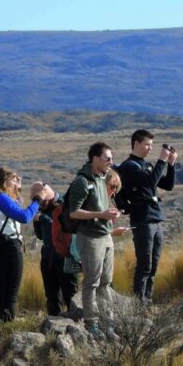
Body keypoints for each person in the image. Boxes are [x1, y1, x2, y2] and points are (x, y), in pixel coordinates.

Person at [67, 142, 125, 337]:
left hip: (105, 235)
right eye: (107, 158)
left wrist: (109, 215)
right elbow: (74, 212)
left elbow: (101, 208)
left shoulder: (102, 179)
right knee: (92, 281)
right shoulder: (82, 182)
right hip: (90, 237)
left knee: (106, 281)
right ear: (95, 158)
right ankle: (92, 323)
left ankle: (108, 321)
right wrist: (101, 214)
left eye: (111, 158)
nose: (111, 162)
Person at [116, 129, 176, 304]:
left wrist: (171, 165)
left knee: (154, 263)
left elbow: (168, 185)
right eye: (147, 145)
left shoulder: (147, 165)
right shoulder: (130, 166)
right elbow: (150, 182)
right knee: (144, 264)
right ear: (136, 143)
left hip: (156, 218)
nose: (150, 148)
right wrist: (162, 160)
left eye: (152, 145)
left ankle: (147, 300)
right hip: (142, 219)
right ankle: (138, 302)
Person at [0, 168, 54, 327]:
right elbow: (24, 216)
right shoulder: (1, 197)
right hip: (9, 248)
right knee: (9, 297)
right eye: (14, 179)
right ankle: (6, 329)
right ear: (4, 181)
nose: (17, 182)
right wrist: (38, 199)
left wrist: (17, 191)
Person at [33, 193, 79, 317]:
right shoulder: (41, 211)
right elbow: (41, 236)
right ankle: (54, 323)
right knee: (51, 294)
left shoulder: (62, 205)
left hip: (65, 254)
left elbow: (63, 225)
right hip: (48, 255)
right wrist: (37, 222)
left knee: (70, 291)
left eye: (42, 200)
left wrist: (45, 219)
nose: (40, 203)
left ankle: (76, 321)